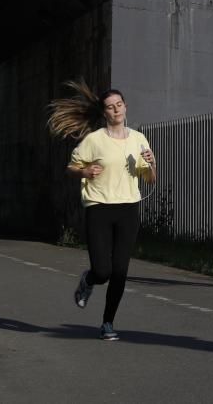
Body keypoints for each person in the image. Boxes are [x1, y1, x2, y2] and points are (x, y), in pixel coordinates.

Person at [48, 81, 157, 341]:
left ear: (125, 107)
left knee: (120, 271)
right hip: (99, 208)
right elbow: (71, 168)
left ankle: (108, 322)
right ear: (104, 113)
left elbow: (150, 179)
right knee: (103, 271)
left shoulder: (139, 139)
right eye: (110, 107)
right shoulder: (93, 140)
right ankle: (89, 280)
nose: (116, 110)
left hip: (128, 208)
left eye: (119, 105)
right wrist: (84, 171)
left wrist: (152, 165)